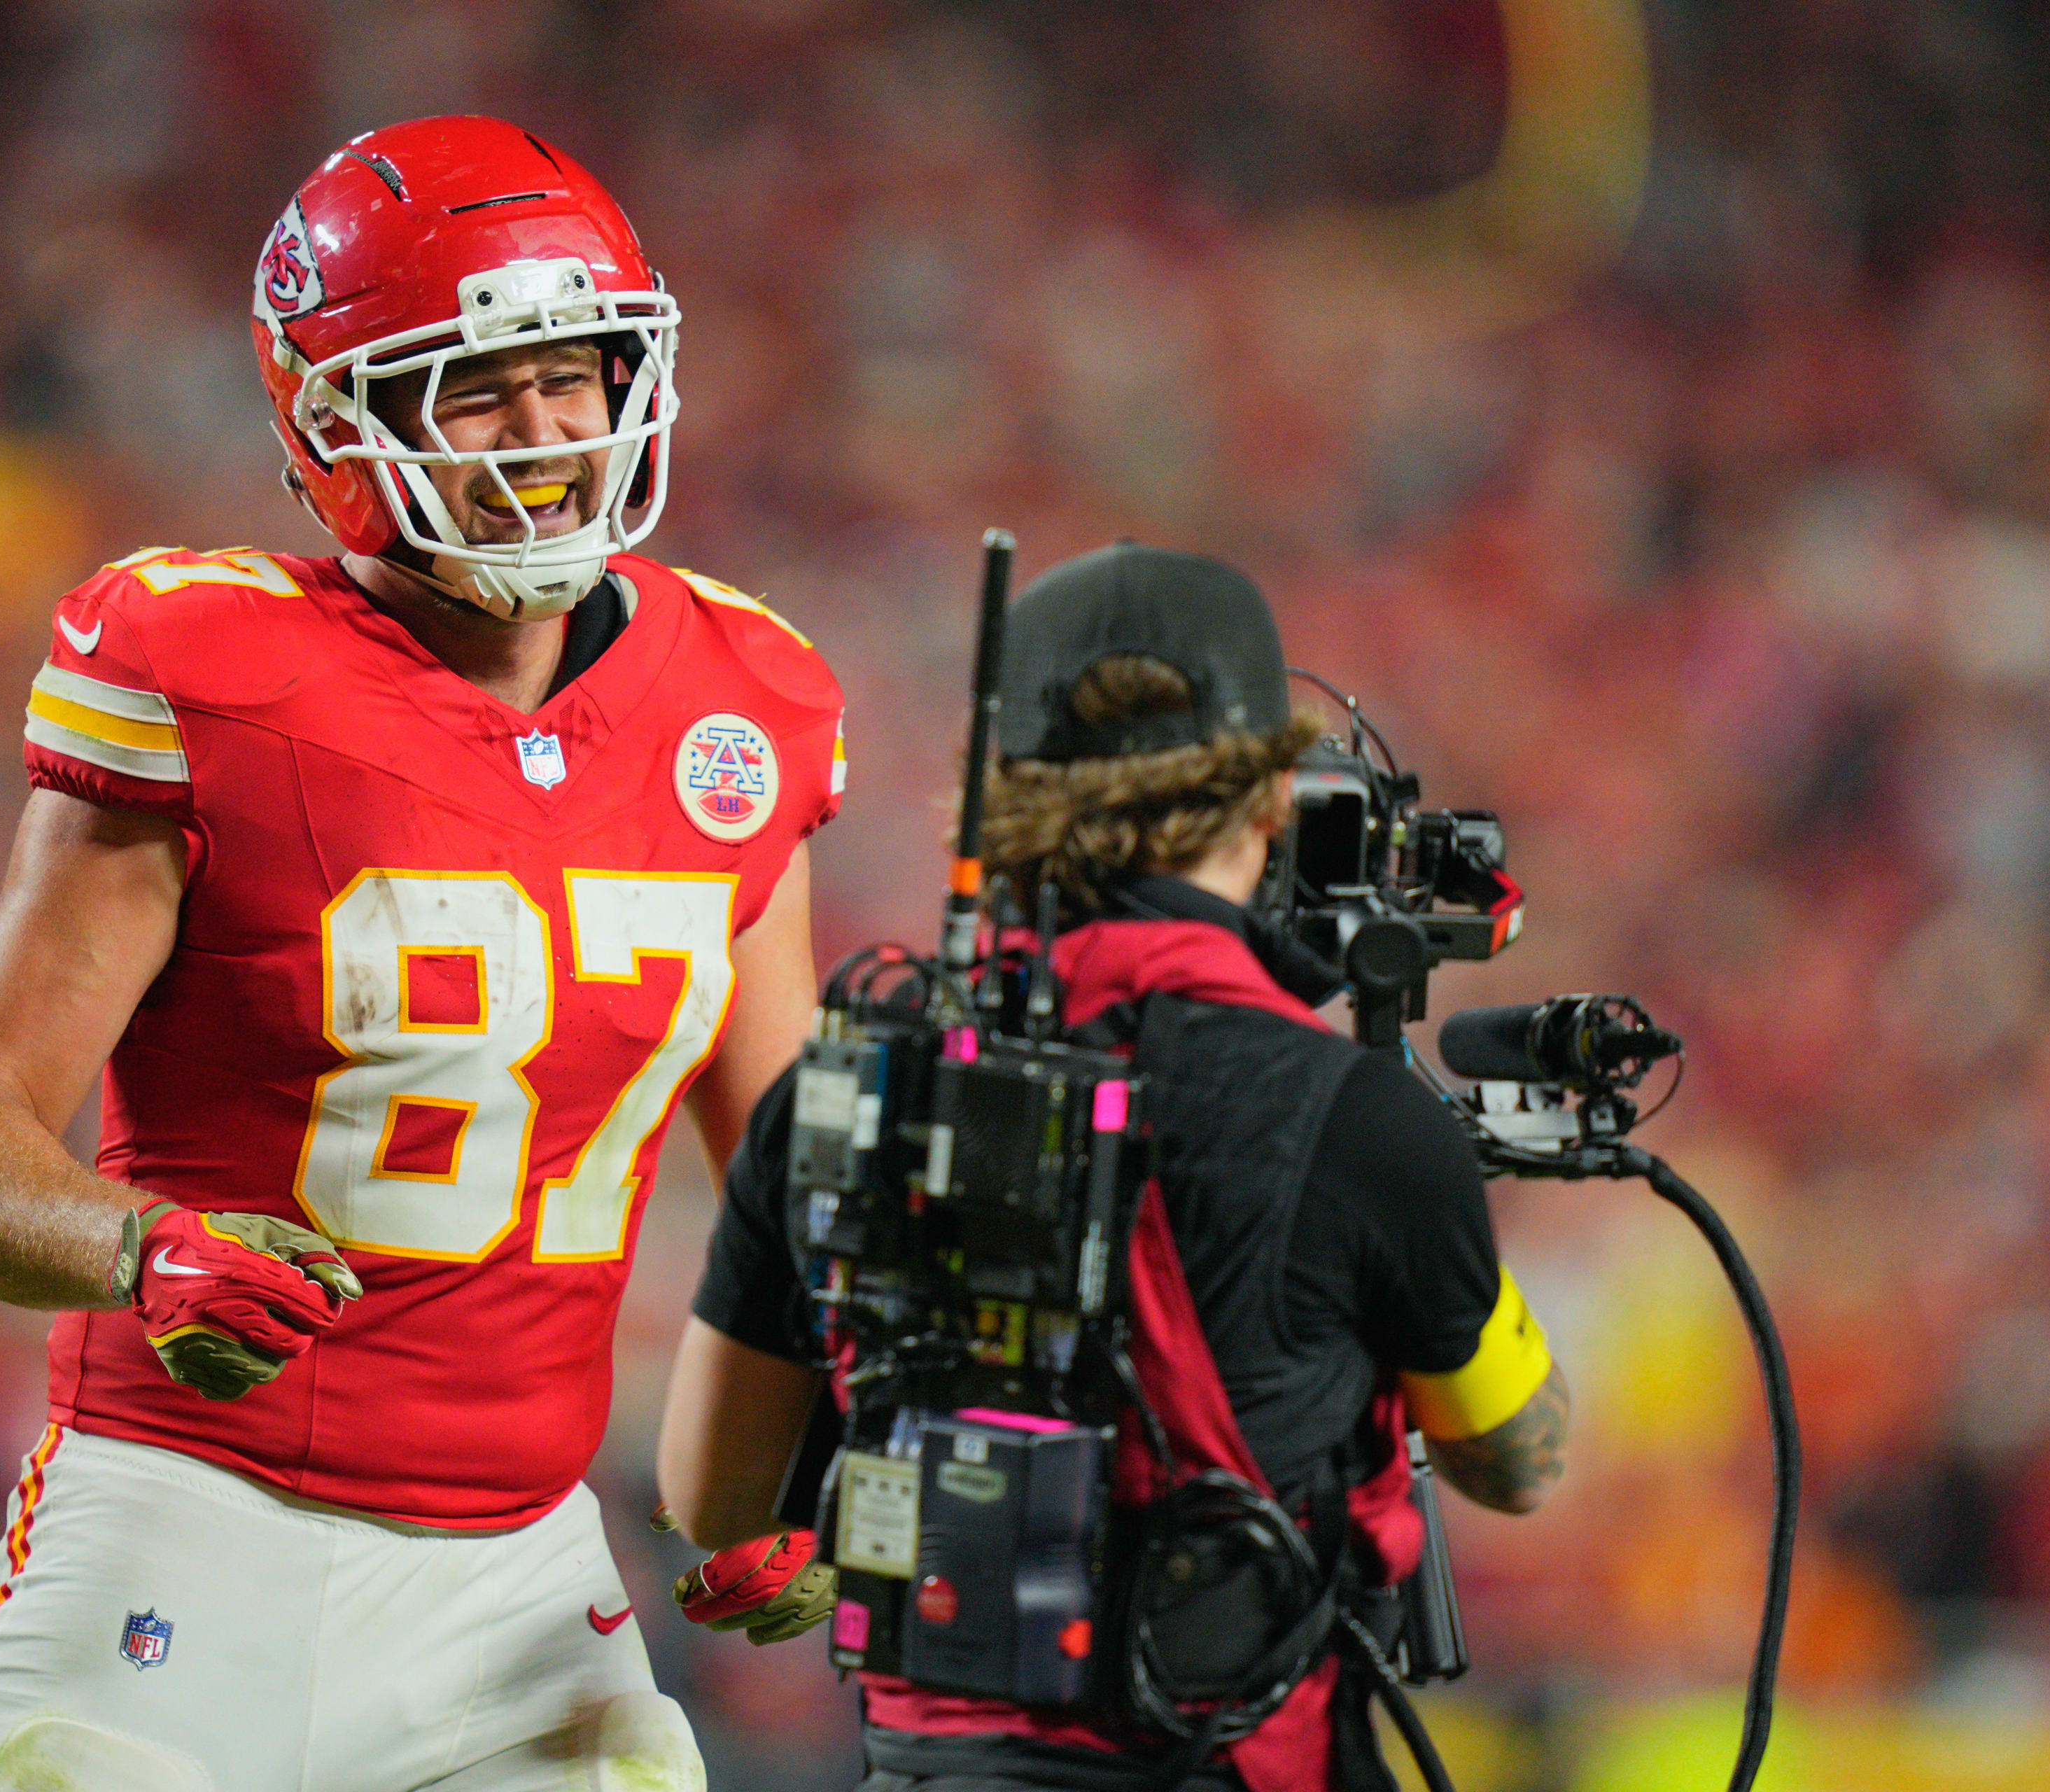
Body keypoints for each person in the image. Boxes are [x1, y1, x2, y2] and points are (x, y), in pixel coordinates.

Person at [0, 115, 843, 1792]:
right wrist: (140, 1250)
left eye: (578, 370)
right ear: (345, 417)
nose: (545, 432)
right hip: (187, 1521)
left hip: (526, 1580)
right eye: (477, 386)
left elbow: (793, 1169)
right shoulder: (212, 668)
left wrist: (798, 1460)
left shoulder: (742, 697)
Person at [653, 544, 1566, 1791]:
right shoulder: (1362, 1121)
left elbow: (709, 1496)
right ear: (1270, 802)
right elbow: (1516, 1461)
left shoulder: (838, 1087)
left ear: (1005, 807)